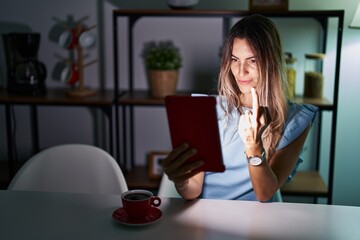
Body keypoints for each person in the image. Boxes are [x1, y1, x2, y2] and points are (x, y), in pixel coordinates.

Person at [161, 14, 318, 202]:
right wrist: (180, 180)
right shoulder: (207, 110)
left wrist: (254, 147)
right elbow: (192, 190)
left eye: (252, 60)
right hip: (208, 217)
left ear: (271, 63)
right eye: (235, 59)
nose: (241, 71)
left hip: (258, 222)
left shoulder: (295, 119)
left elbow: (264, 193)